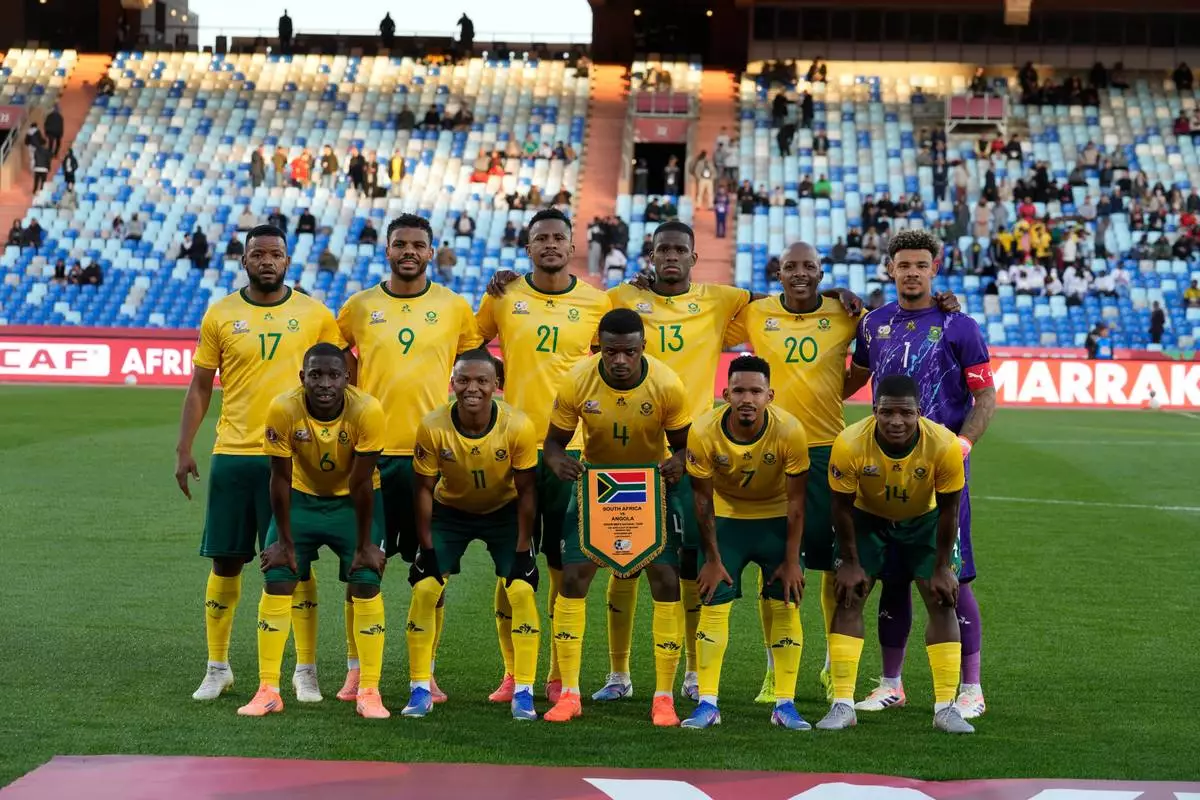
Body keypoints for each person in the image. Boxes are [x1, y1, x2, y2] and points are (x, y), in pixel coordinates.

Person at [175, 224, 346, 703]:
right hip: (234, 454)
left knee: (296, 563)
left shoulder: (314, 314)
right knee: (226, 561)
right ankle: (217, 666)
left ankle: (305, 670)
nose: (267, 261)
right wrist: (184, 447)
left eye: (275, 254)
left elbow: (337, 383)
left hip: (296, 459)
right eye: (258, 254)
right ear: (244, 260)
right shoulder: (221, 313)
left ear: (287, 260)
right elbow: (201, 385)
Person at [845, 228, 996, 721]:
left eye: (921, 265)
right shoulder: (873, 324)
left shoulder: (960, 326)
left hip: (940, 474)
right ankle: (891, 684)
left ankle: (970, 688)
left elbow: (985, 397)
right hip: (883, 472)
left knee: (952, 579)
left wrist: (962, 445)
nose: (912, 273)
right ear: (890, 268)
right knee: (891, 577)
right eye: (904, 265)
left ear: (935, 268)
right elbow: (852, 379)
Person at [336, 214, 483, 703]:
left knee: (432, 573)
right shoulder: (360, 306)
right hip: (372, 457)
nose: (409, 252)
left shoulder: (453, 306)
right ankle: (357, 670)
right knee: (363, 566)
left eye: (418, 245)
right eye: (400, 244)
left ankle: (426, 672)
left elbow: (476, 364)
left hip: (432, 459)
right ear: (387, 250)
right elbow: (334, 354)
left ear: (431, 251)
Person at [475, 209, 611, 704]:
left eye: (558, 237)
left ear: (572, 246)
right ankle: (513, 673)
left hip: (572, 453)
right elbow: (470, 345)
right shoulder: (504, 295)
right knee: (511, 565)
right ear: (528, 246)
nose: (550, 244)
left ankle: (555, 674)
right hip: (511, 448)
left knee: (562, 566)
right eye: (541, 238)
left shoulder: (597, 302)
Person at [541, 308, 692, 725]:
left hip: (649, 487)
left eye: (629, 351)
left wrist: (679, 462)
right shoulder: (577, 380)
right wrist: (557, 462)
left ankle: (664, 697)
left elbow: (685, 445)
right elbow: (553, 443)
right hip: (597, 485)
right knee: (573, 578)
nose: (620, 360)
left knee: (666, 580)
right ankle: (569, 694)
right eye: (610, 352)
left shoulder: (666, 383)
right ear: (599, 348)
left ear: (643, 346)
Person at [237, 344, 389, 720]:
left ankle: (369, 691)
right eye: (316, 375)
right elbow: (279, 477)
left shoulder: (367, 410)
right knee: (277, 576)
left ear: (347, 378)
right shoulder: (283, 408)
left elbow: (362, 483)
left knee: (366, 579)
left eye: (334, 375)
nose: (325, 383)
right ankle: (268, 690)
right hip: (301, 498)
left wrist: (365, 544)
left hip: (353, 502)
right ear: (302, 377)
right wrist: (285, 542)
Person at [816, 374, 973, 734]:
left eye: (905, 413)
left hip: (925, 521)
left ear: (919, 412)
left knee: (942, 599)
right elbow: (840, 507)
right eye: (887, 413)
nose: (896, 421)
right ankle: (843, 704)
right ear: (875, 410)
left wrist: (942, 566)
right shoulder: (850, 442)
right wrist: (850, 562)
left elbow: (950, 510)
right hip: (866, 518)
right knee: (849, 595)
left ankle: (945, 708)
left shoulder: (944, 445)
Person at [404, 350, 541, 720]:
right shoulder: (433, 425)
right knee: (426, 588)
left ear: (497, 385)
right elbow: (422, 489)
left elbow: (528, 491)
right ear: (452, 383)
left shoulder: (518, 425)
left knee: (521, 589)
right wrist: (426, 548)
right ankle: (420, 687)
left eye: (482, 380)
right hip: (450, 512)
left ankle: (524, 691)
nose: (472, 388)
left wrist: (523, 549)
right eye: (464, 380)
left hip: (504, 512)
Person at [681, 356, 812, 730]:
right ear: (725, 394)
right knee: (712, 602)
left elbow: (797, 503)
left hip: (776, 521)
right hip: (727, 521)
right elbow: (702, 501)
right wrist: (712, 558)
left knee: (786, 604)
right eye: (739, 391)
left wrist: (791, 561)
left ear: (770, 395)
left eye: (756, 391)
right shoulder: (703, 430)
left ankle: (785, 705)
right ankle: (707, 704)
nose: (747, 399)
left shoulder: (790, 430)